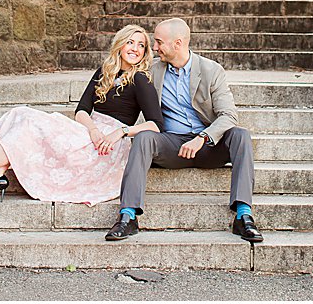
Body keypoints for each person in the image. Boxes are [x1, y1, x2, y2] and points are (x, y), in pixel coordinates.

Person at [0, 25, 163, 205]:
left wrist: (119, 133)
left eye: (141, 45)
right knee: (24, 118)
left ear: (145, 52)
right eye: (130, 42)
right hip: (88, 132)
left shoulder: (141, 80)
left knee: (28, 120)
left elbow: (155, 124)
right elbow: (82, 110)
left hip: (108, 145)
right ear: (120, 45)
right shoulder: (104, 71)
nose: (135, 48)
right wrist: (92, 129)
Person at [108, 18, 262, 242]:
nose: (155, 47)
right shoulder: (152, 71)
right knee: (144, 138)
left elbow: (229, 115)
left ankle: (243, 216)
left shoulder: (211, 70)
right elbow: (117, 81)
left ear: (177, 43)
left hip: (208, 147)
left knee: (241, 135)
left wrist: (203, 138)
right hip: (171, 145)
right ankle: (128, 216)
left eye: (159, 42)